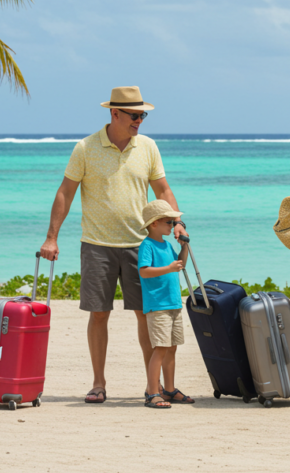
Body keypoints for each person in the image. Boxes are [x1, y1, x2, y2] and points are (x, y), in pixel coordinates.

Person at [39, 86, 188, 405]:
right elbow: (65, 192)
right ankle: (98, 383)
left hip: (141, 244)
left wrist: (177, 222)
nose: (140, 121)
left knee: (146, 315)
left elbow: (162, 190)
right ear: (114, 114)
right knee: (98, 314)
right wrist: (52, 236)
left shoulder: (147, 147)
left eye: (142, 115)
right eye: (134, 115)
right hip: (97, 245)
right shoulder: (86, 147)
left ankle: (156, 387)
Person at [137, 200, 193, 409]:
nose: (173, 225)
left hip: (173, 303)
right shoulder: (147, 245)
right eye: (168, 222)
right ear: (154, 224)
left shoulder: (167, 245)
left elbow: (180, 265)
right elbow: (144, 271)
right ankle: (153, 392)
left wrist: (184, 247)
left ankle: (169, 389)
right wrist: (168, 268)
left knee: (172, 348)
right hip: (157, 304)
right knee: (160, 348)